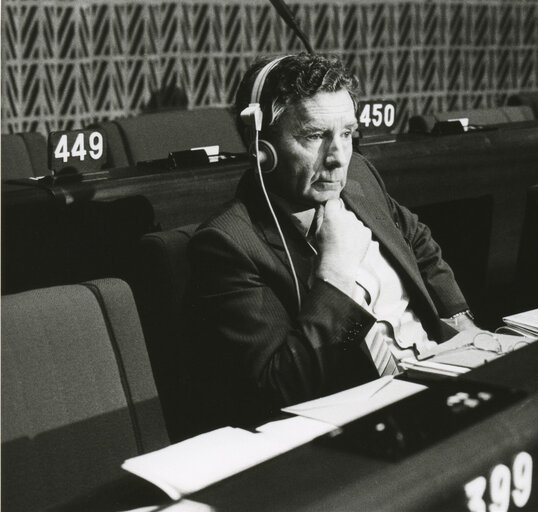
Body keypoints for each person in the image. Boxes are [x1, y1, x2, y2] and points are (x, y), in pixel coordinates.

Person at [184, 53, 476, 432]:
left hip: (447, 373)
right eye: (315, 136)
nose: (338, 157)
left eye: (347, 134)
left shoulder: (360, 177)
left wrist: (462, 324)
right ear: (262, 149)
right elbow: (281, 388)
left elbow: (416, 237)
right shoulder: (228, 245)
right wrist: (335, 275)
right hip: (363, 421)